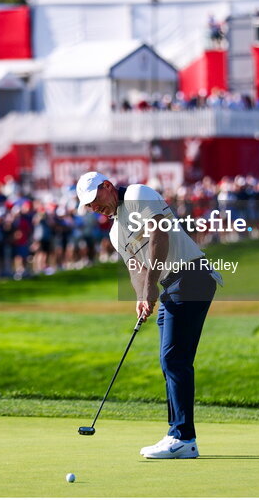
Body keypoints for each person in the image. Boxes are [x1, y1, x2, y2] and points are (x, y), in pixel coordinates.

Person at [76, 171, 223, 460]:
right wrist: (142, 296)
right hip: (171, 286)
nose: (94, 208)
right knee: (169, 360)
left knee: (174, 359)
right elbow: (134, 268)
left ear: (107, 186)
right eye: (88, 206)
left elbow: (159, 235)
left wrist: (150, 286)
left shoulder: (137, 195)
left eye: (95, 200)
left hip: (191, 276)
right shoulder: (115, 232)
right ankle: (176, 433)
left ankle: (184, 437)